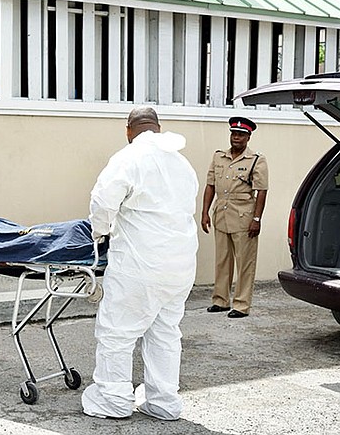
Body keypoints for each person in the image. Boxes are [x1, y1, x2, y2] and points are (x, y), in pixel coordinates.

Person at [82, 107, 199, 420]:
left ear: (128, 130)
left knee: (117, 332)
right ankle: (164, 402)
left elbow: (102, 202)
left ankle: (113, 399)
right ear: (158, 128)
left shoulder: (128, 157)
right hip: (181, 266)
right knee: (165, 333)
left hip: (141, 264)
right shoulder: (183, 163)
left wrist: (98, 232)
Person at [201, 117, 268, 318]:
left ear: (248, 137)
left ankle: (241, 304)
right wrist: (204, 212)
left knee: (245, 263)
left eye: (240, 134)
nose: (236, 137)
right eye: (233, 133)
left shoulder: (256, 159)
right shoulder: (219, 157)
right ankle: (220, 300)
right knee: (222, 261)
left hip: (243, 217)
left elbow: (261, 191)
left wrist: (256, 219)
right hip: (221, 213)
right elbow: (210, 185)